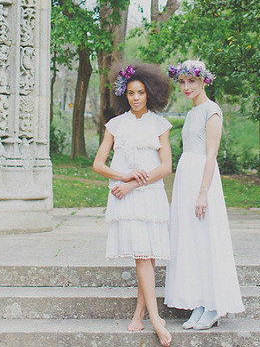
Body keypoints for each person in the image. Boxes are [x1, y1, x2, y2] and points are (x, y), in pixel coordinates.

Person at [93, 63, 173, 347]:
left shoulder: (159, 125)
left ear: (149, 93)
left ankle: (142, 313)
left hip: (149, 195)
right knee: (142, 255)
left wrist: (133, 184)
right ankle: (156, 318)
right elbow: (99, 164)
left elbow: (165, 167)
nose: (136, 98)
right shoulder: (115, 125)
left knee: (146, 256)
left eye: (140, 92)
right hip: (125, 198)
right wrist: (123, 177)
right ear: (123, 95)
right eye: (130, 93)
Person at [164, 60, 244, 330]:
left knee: (207, 238)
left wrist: (202, 192)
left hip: (202, 178)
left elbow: (211, 154)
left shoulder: (212, 111)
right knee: (191, 240)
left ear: (203, 81)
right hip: (186, 178)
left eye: (192, 81)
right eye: (182, 82)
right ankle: (199, 302)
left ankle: (213, 305)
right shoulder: (191, 113)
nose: (186, 87)